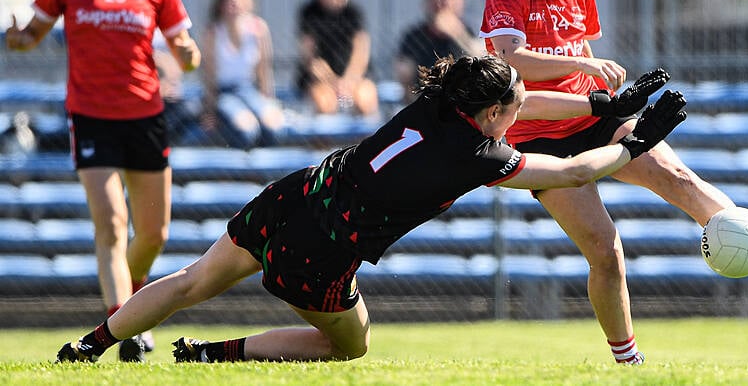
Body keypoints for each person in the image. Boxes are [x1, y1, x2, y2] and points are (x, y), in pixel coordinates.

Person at [55, 54, 685, 364]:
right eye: (516, 108)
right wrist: (633, 141)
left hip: (297, 194)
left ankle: (89, 345)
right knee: (349, 348)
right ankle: (209, 356)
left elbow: (522, 101)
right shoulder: (480, 156)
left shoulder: (441, 102)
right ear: (491, 116)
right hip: (325, 246)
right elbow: (574, 170)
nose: (524, 113)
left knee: (191, 280)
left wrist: (598, 108)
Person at [479, 0, 748, 364]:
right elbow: (509, 60)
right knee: (606, 251)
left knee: (681, 180)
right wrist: (588, 63)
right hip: (539, 135)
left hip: (596, 114)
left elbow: (574, 58)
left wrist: (596, 85)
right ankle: (629, 363)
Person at [5, 0, 202, 362]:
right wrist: (17, 38)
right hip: (92, 118)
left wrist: (190, 57)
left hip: (146, 118)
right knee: (112, 226)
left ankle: (131, 298)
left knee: (154, 233)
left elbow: (183, 47)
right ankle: (125, 327)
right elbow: (31, 35)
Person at [199, 0, 284, 148]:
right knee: (247, 130)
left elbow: (264, 71)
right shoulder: (214, 33)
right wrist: (209, 111)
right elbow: (209, 76)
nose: (233, 4)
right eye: (228, 0)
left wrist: (268, 99)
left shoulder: (258, 29)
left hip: (248, 89)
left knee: (273, 125)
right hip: (225, 93)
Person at [295, 0, 379, 116]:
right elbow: (310, 58)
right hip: (320, 80)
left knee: (365, 101)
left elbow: (361, 52)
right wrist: (334, 83)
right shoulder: (309, 13)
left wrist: (348, 82)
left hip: (353, 78)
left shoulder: (354, 12)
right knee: (325, 104)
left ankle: (362, 142)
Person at [394, 0, 483, 99]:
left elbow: (481, 60)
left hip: (463, 96)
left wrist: (457, 33)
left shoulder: (470, 30)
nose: (440, 4)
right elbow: (404, 72)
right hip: (424, 96)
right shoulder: (415, 35)